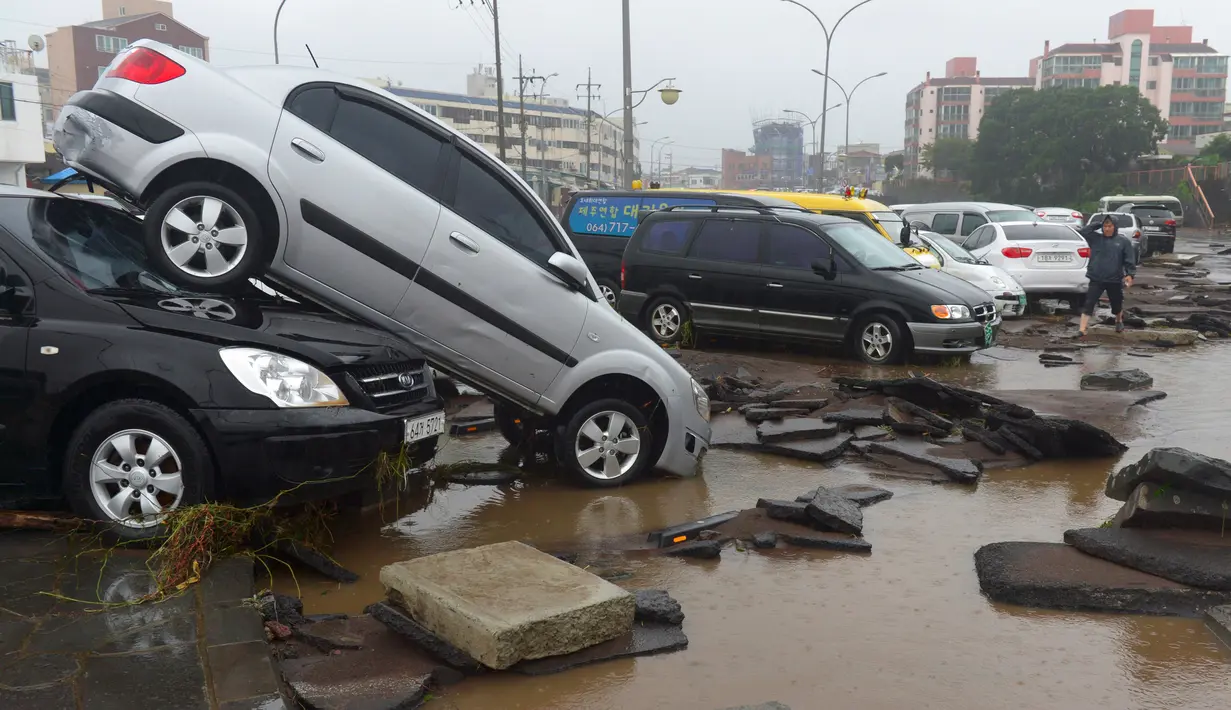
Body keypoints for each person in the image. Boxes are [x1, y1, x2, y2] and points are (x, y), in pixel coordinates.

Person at [1079, 215, 1136, 336]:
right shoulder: (1095, 238)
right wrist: (1099, 224)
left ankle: (1119, 320)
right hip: (1096, 277)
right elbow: (1083, 232)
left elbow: (1129, 259)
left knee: (1116, 304)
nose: (1107, 229)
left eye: (1109, 226)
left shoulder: (1122, 241)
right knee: (1089, 303)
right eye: (1105, 226)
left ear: (1115, 227)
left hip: (1114, 278)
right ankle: (1082, 329)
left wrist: (1130, 274)